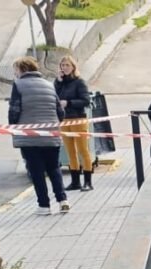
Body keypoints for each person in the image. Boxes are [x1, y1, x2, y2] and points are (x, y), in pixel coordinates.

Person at [9, 56, 69, 215]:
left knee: (36, 171)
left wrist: (14, 127)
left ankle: (44, 205)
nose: (15, 73)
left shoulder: (18, 85)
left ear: (21, 69)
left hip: (30, 137)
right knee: (54, 168)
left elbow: (14, 110)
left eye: (15, 70)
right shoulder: (49, 85)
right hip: (51, 134)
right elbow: (60, 112)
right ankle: (63, 200)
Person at [55, 55, 93, 192]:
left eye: (67, 65)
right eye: (62, 65)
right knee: (70, 151)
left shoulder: (79, 82)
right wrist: (58, 82)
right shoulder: (60, 82)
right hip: (65, 119)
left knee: (83, 150)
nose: (64, 68)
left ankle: (88, 181)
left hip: (78, 118)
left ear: (73, 67)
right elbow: (55, 96)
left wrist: (69, 103)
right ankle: (75, 181)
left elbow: (86, 100)